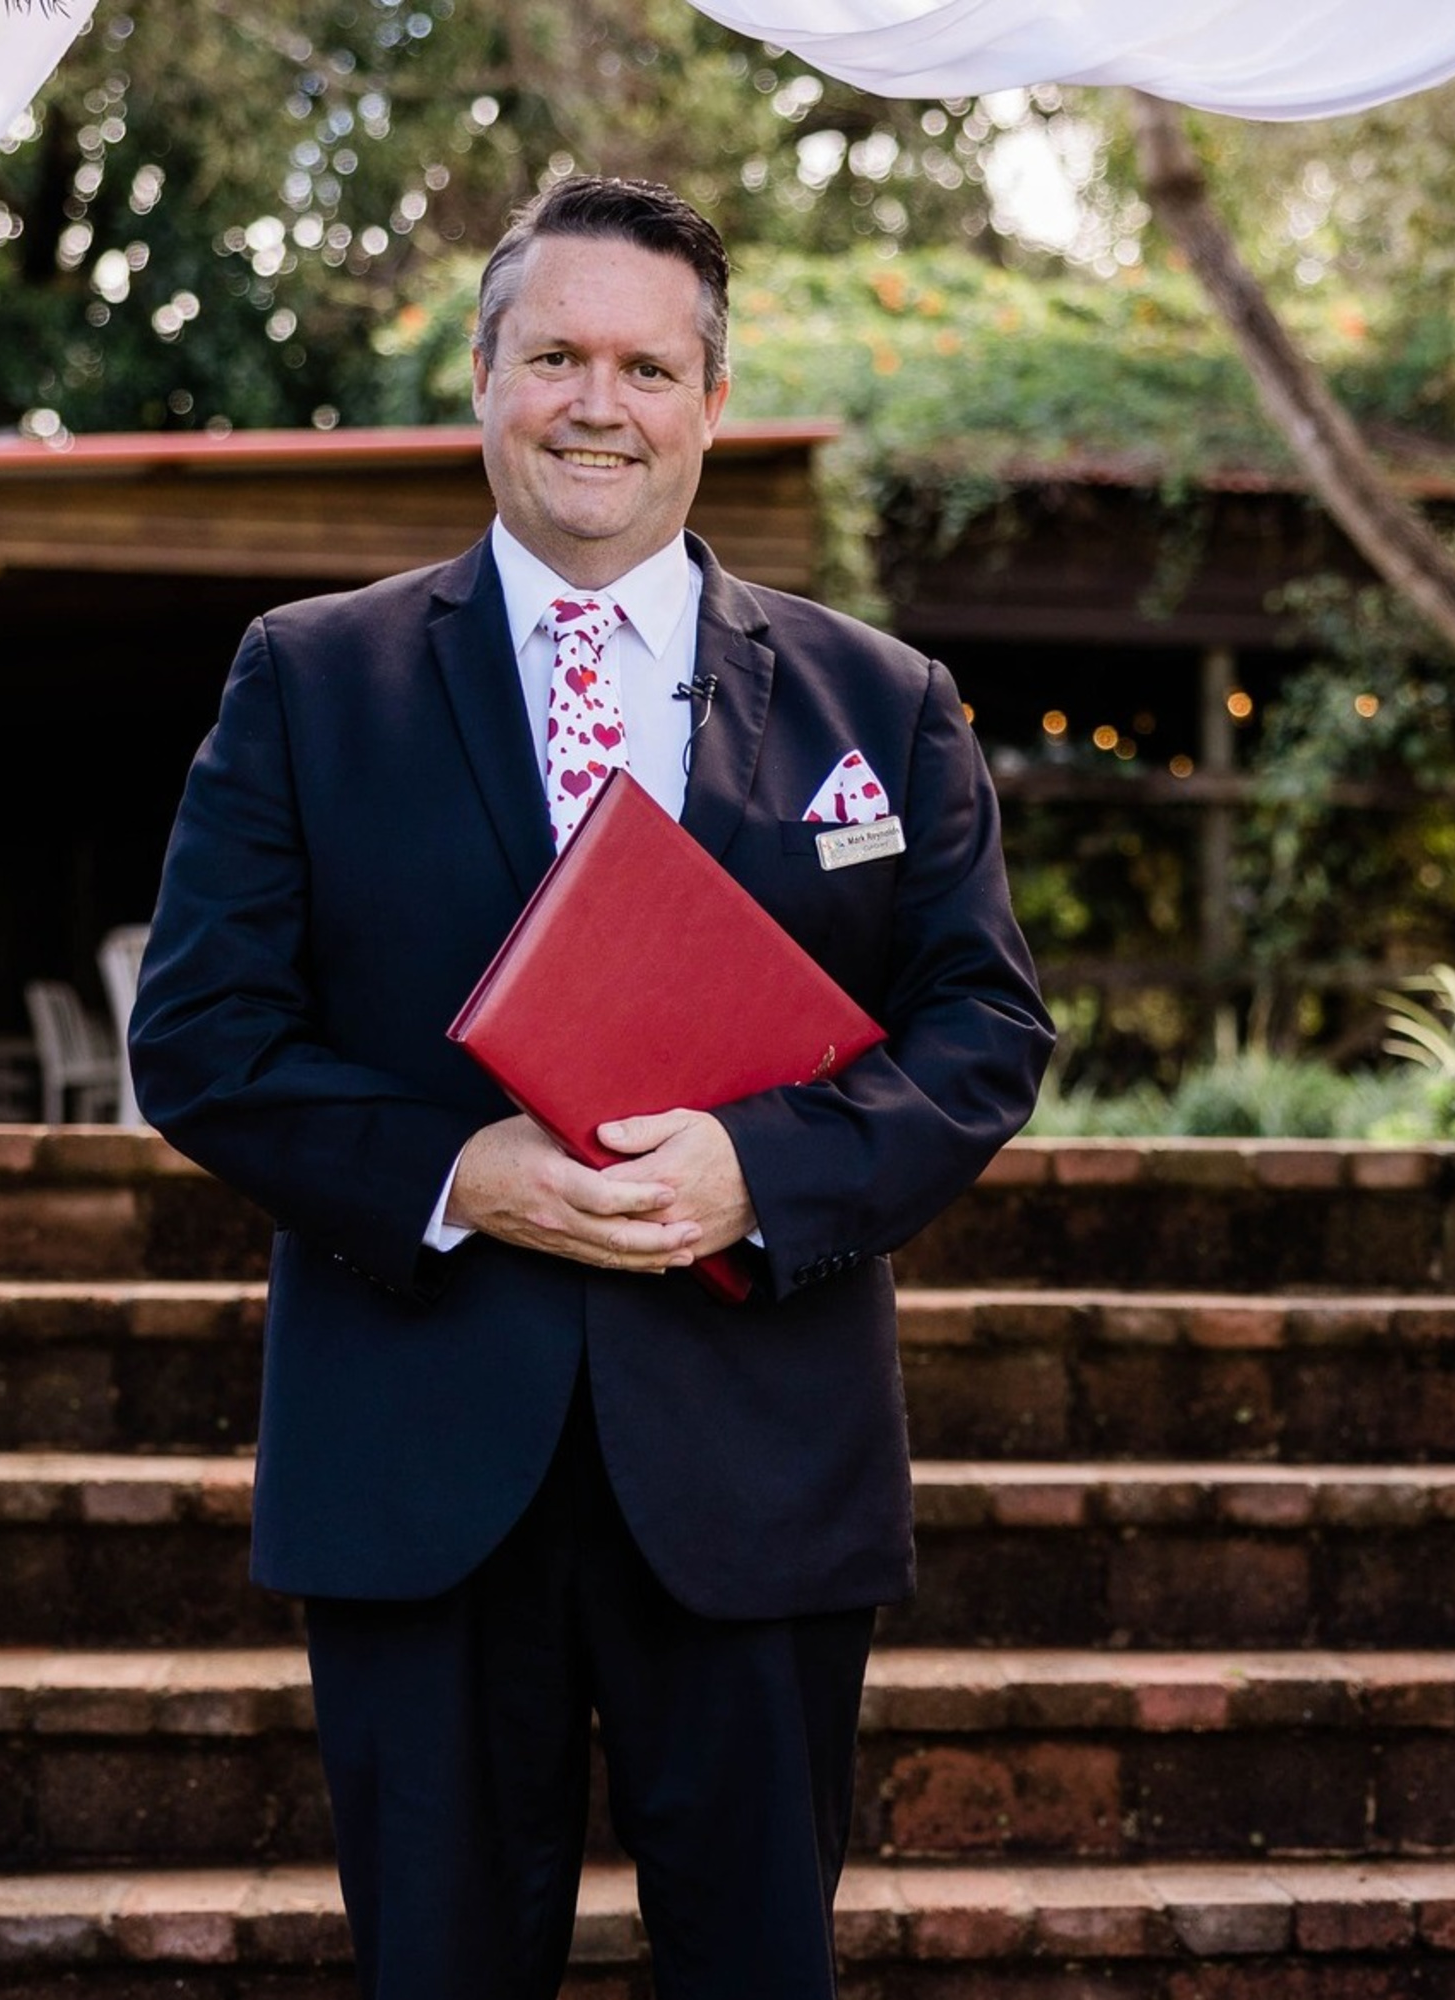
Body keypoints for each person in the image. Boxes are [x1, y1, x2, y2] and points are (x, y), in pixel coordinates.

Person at [129, 174, 1054, 2000]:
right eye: (554, 353)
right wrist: (454, 1171)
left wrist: (759, 1169)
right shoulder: (309, 683)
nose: (595, 402)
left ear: (711, 404)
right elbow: (203, 1033)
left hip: (757, 1457)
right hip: (420, 1457)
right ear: (483, 378)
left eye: (644, 365)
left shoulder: (883, 702)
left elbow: (983, 1033)